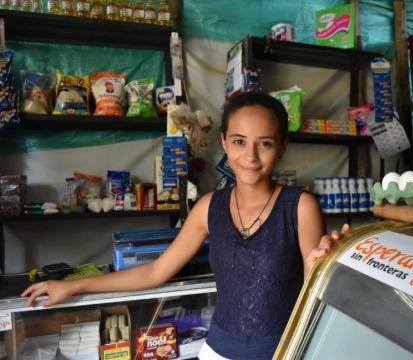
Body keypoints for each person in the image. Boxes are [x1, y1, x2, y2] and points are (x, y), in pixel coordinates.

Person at [22, 91, 349, 359]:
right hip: (218, 352)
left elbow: (313, 295)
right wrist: (73, 286)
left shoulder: (299, 207)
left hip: (285, 352)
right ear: (224, 142)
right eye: (239, 141)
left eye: (264, 143)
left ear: (282, 147)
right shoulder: (209, 208)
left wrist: (320, 267)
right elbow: (155, 271)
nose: (250, 155)